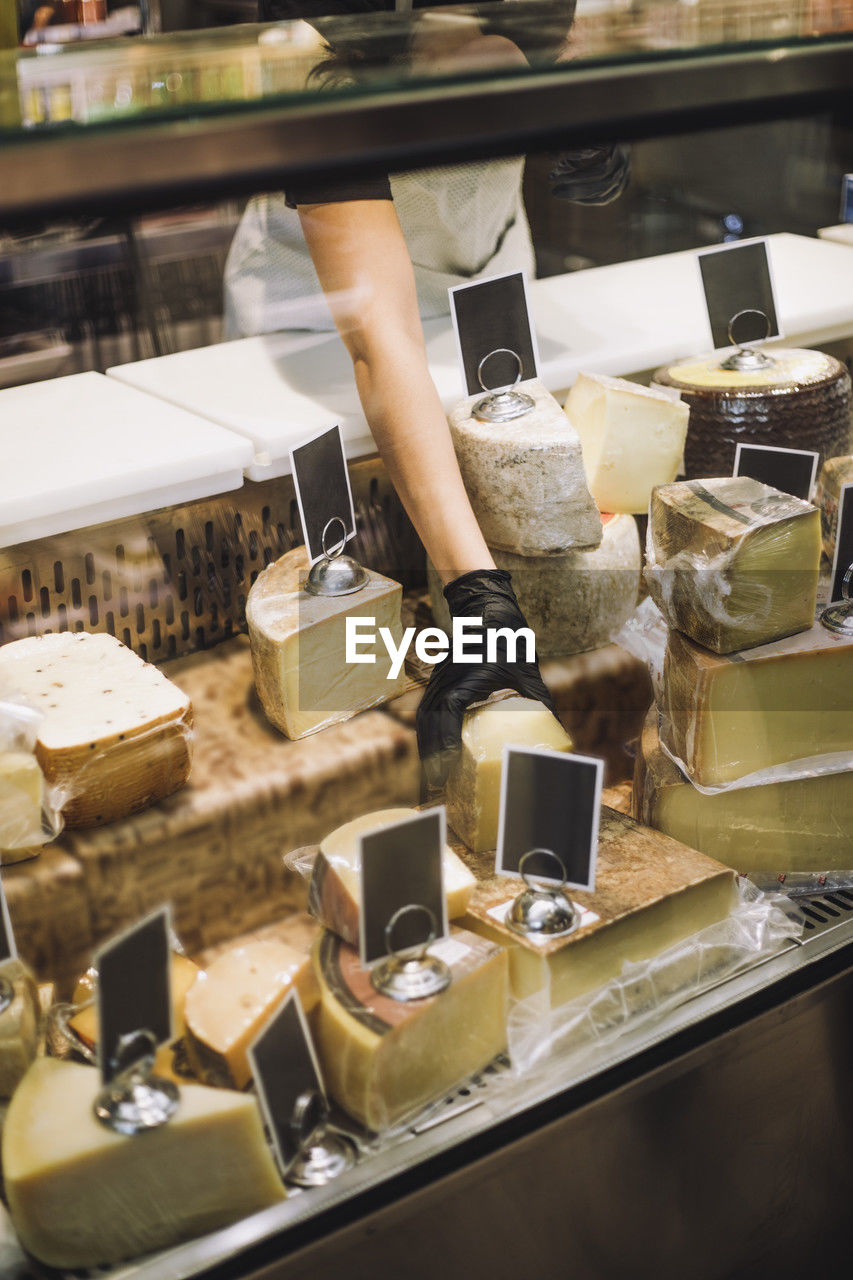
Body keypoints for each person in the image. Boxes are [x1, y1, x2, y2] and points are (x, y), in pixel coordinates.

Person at [224, 0, 629, 784]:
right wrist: (481, 604)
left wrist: (586, 103)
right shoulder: (329, 74)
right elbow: (381, 339)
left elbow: (573, 45)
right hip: (318, 322)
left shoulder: (539, 17)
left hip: (485, 287)